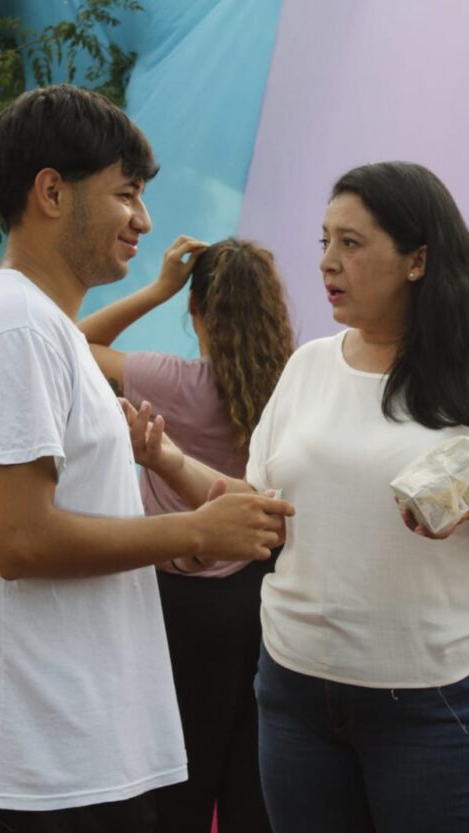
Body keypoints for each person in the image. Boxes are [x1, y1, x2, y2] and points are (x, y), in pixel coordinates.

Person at [126, 161, 469, 833]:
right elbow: (262, 513)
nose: (327, 262)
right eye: (323, 242)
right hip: (294, 692)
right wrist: (166, 458)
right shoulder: (310, 367)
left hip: (443, 702)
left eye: (351, 243)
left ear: (417, 259)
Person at [0, 84, 293, 833]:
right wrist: (195, 533)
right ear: (51, 192)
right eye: (127, 195)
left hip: (71, 746)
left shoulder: (44, 330)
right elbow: (21, 537)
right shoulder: (15, 326)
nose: (143, 221)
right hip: (48, 755)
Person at [78, 235, 295, 833]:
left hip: (175, 599)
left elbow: (72, 343)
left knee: (178, 778)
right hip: (262, 592)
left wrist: (158, 287)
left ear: (197, 310)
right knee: (254, 778)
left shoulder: (165, 379)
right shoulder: (294, 385)